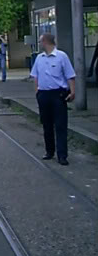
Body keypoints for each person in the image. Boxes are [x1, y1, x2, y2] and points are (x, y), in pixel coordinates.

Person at [30, 32, 76, 166]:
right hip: (44, 94)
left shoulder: (61, 56)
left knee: (60, 125)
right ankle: (49, 151)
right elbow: (35, 76)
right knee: (46, 124)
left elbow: (70, 75)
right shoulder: (39, 58)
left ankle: (62, 155)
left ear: (45, 42)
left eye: (40, 42)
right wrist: (37, 92)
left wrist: (72, 92)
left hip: (58, 94)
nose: (39, 44)